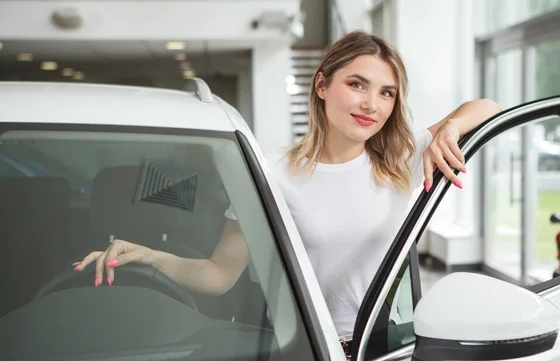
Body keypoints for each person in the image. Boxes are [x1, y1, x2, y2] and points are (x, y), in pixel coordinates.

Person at [74, 31, 501, 343]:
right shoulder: (272, 172)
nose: (373, 104)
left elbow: (490, 108)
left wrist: (451, 128)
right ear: (322, 85)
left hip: (387, 346)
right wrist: (150, 257)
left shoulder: (399, 159)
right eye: (357, 85)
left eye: (387, 93)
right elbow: (220, 274)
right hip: (310, 353)